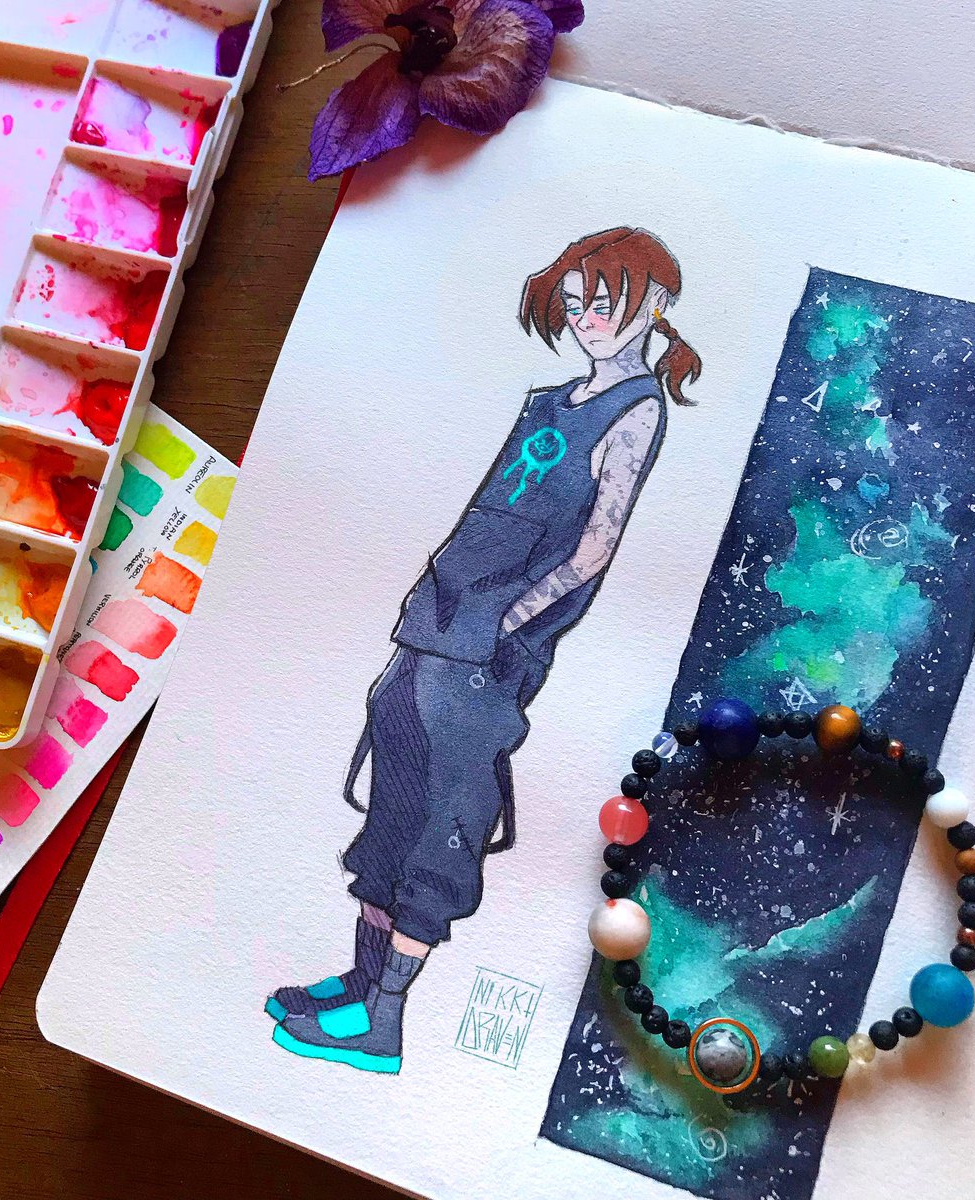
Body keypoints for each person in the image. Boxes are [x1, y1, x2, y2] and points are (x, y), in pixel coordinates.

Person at [267, 227, 702, 1073]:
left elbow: (594, 549)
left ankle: (383, 1022)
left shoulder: (636, 409)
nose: (585, 320)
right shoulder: (549, 401)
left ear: (653, 304)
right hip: (435, 619)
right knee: (394, 792)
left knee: (443, 818)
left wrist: (509, 621)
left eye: (602, 302)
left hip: (489, 646)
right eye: (573, 304)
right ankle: (360, 983)